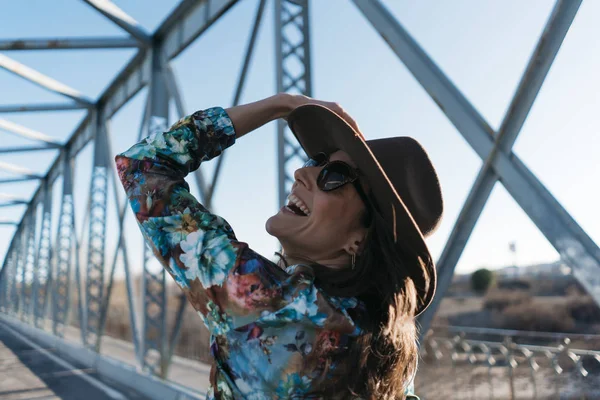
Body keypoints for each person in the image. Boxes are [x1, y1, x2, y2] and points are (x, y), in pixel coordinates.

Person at [115, 93, 443, 399]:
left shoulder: (273, 306)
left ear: (360, 239)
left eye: (335, 176)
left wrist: (280, 105)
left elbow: (144, 164)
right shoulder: (390, 344)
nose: (303, 172)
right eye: (316, 160)